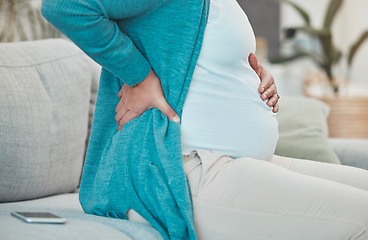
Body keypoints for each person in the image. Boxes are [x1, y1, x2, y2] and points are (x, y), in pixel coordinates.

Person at [41, 0, 368, 239]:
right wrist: (139, 77)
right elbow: (64, 7)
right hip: (183, 171)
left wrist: (253, 76)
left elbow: (196, 56)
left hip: (237, 162)